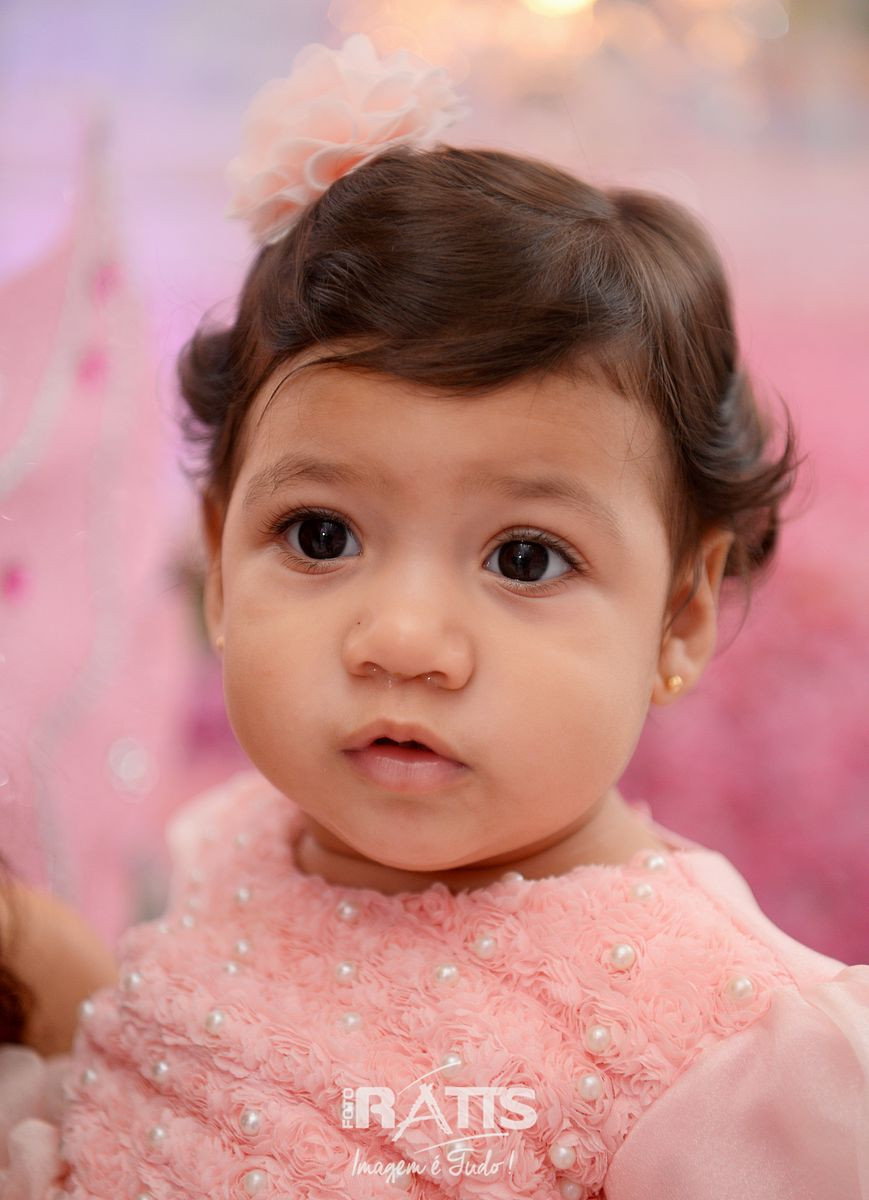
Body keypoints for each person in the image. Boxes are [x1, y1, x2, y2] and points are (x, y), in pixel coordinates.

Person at [5, 31, 867, 1200]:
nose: (402, 641)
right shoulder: (236, 842)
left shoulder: (725, 1052)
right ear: (218, 565)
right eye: (320, 536)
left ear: (679, 617)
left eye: (523, 558)